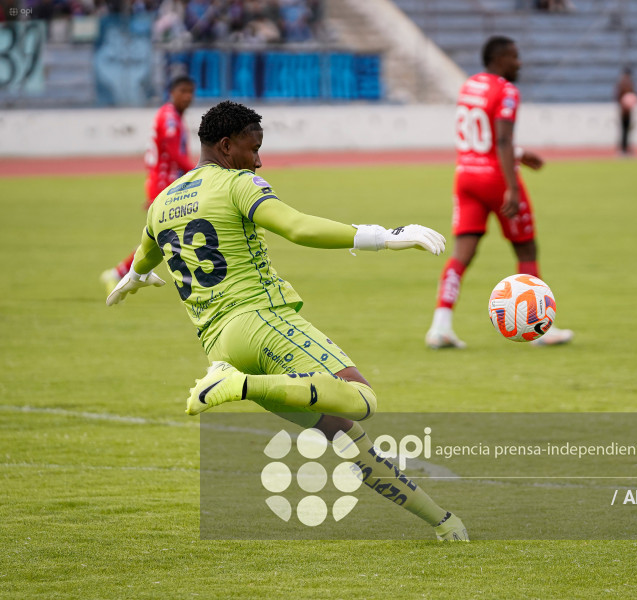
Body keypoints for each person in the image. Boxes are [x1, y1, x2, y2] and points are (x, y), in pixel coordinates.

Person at [105, 101, 469, 542]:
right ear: (225, 146)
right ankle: (238, 387)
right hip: (260, 322)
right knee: (362, 399)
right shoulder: (237, 184)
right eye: (252, 148)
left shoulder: (161, 204)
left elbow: (145, 255)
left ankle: (443, 523)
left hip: (220, 346)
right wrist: (383, 236)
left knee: (346, 437)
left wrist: (135, 278)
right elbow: (296, 227)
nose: (258, 160)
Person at [425, 35, 574, 349]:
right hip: (496, 178)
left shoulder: (470, 85)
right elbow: (502, 140)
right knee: (526, 250)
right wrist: (512, 186)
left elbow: (482, 136)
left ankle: (440, 326)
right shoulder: (506, 90)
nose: (519, 63)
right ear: (500, 58)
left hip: (465, 175)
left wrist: (519, 152)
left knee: (461, 255)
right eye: (515, 57)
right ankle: (540, 329)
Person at [101, 75, 196, 295]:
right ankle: (122, 273)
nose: (188, 97)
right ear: (172, 92)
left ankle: (123, 273)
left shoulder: (171, 115)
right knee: (170, 235)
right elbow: (174, 153)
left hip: (166, 183)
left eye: (191, 92)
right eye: (183, 91)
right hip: (165, 183)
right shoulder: (171, 118)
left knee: (168, 235)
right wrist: (199, 172)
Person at [615, 66, 637, 155]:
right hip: (624, 111)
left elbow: (634, 95)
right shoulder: (623, 84)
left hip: (629, 111)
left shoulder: (629, 84)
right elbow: (618, 97)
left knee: (628, 130)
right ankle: (623, 149)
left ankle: (626, 148)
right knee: (624, 130)